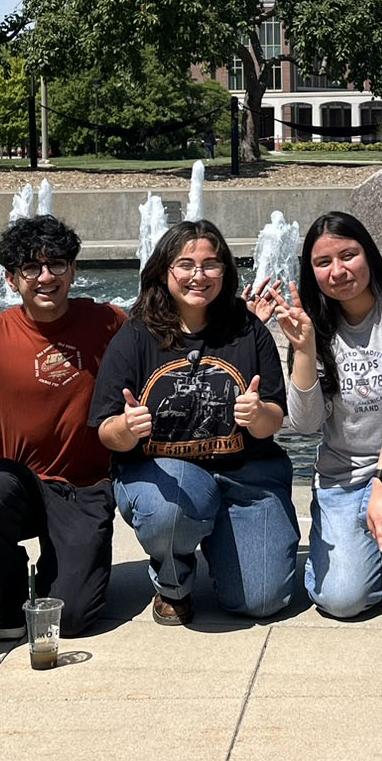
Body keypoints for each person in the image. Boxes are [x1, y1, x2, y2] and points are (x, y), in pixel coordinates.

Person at [89, 220, 298, 625]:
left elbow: (273, 418)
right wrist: (127, 428)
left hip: (246, 477)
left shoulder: (248, 330)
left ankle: (223, 540)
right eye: (186, 264)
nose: (198, 276)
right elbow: (106, 432)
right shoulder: (136, 336)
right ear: (164, 271)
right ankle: (173, 581)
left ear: (225, 271)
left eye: (210, 264)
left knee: (261, 601)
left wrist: (257, 415)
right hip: (165, 478)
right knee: (174, 510)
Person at [0, 214, 126, 642]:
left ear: (73, 270)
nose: (46, 277)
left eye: (57, 264)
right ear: (11, 280)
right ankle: (10, 588)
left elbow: (167, 341)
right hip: (20, 488)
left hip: (84, 489)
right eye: (31, 267)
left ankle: (58, 566)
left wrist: (235, 320)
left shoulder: (110, 323)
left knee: (71, 619)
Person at [267, 212, 382, 617]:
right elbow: (306, 424)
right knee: (342, 601)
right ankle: (364, 549)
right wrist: (305, 350)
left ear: (369, 253)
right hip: (343, 473)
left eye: (348, 255)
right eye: (323, 262)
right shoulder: (315, 324)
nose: (338, 271)